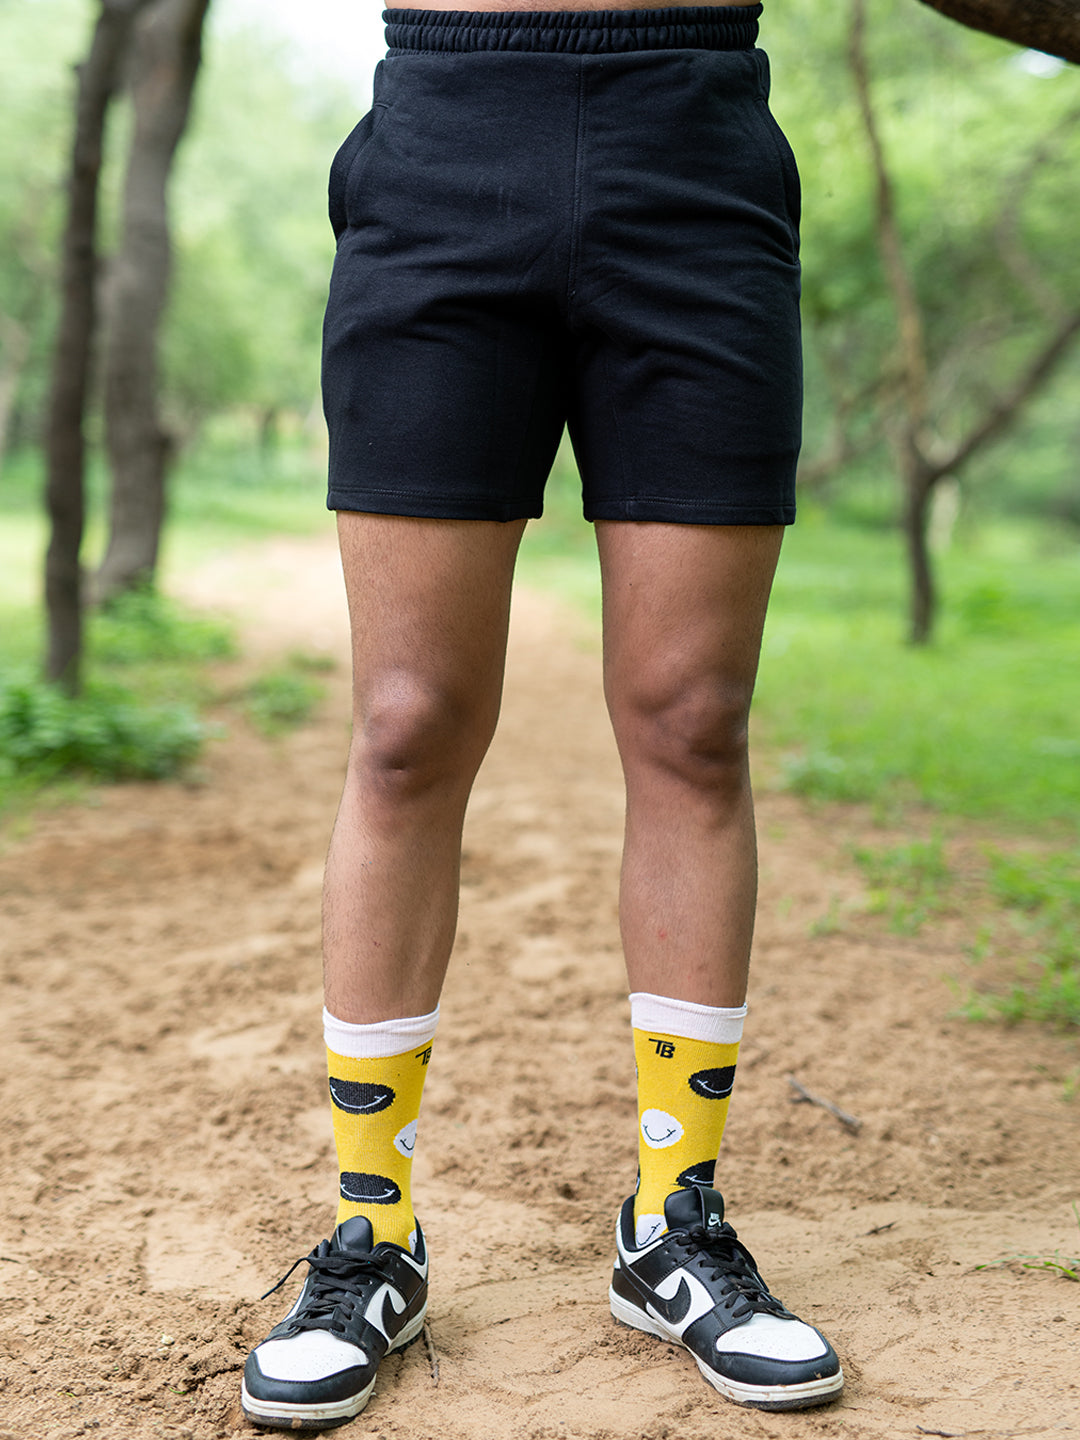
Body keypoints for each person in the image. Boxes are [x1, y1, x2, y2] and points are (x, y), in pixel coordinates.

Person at [241, 2, 844, 1428]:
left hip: (695, 147)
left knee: (693, 720)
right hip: (442, 149)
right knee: (406, 724)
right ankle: (372, 1234)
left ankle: (672, 1222)